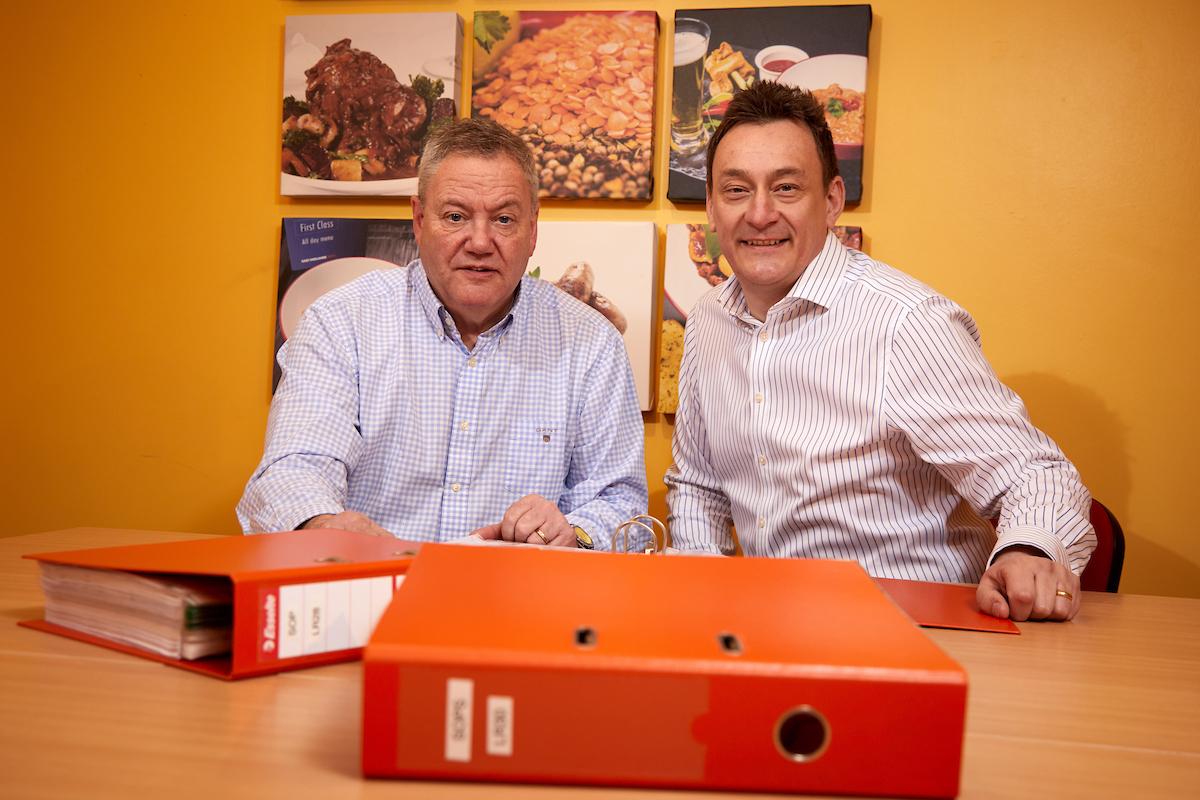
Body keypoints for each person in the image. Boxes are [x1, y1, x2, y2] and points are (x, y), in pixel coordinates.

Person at [665, 81, 1095, 621]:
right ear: (710, 207)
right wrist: (700, 602)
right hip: (768, 630)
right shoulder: (708, 321)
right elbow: (698, 486)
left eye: (787, 188)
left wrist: (1029, 551)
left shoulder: (906, 323)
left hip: (916, 631)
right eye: (735, 190)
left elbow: (1035, 475)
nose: (759, 213)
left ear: (832, 202)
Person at [237, 118, 647, 550]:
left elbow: (623, 505)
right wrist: (320, 524)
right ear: (418, 220)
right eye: (455, 216)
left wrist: (575, 531)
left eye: (504, 219)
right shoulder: (341, 322)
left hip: (522, 601)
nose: (480, 242)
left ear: (533, 231)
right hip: (373, 586)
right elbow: (293, 467)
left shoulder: (591, 343)